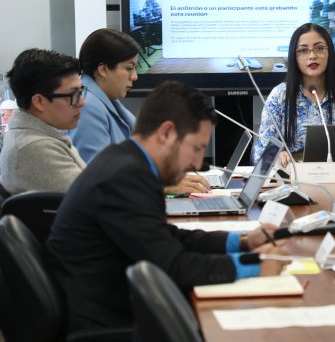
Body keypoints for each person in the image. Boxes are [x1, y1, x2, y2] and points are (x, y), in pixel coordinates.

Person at [47, 81, 288, 332]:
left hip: (109, 305)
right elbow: (171, 266)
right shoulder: (124, 177)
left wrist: (243, 242)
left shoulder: (128, 162)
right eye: (196, 149)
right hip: (105, 325)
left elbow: (166, 238)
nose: (197, 162)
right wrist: (255, 267)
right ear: (166, 133)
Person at [69, 28, 210, 195]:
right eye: (129, 68)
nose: (135, 76)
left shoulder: (106, 99)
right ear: (103, 70)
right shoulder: (87, 106)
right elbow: (99, 180)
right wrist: (163, 187)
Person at [252, 23, 335, 166]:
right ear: (294, 56)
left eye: (319, 48)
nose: (312, 56)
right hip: (293, 179)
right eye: (303, 50)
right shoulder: (280, 96)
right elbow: (260, 154)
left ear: (329, 52)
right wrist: (277, 154)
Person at [0, 49, 86, 194]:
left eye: (81, 92)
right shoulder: (34, 148)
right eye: (73, 94)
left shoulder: (37, 134)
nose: (82, 102)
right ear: (39, 102)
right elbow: (97, 202)